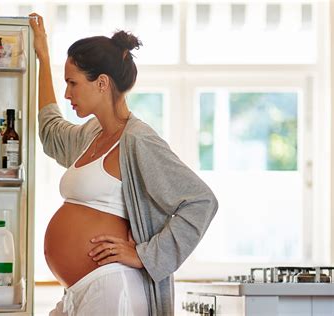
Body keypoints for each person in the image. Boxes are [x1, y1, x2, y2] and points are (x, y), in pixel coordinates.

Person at [29, 13, 218, 316]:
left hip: (113, 290)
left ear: (101, 83)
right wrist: (42, 56)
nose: (67, 94)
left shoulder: (138, 140)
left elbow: (201, 201)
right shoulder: (91, 134)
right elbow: (51, 131)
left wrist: (145, 255)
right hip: (81, 292)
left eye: (72, 83)